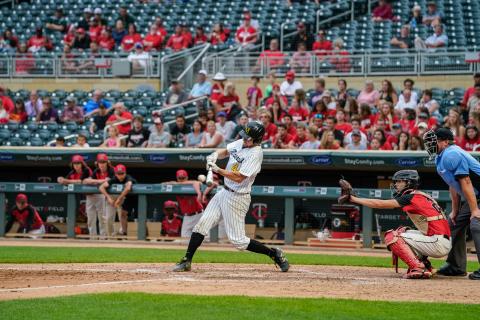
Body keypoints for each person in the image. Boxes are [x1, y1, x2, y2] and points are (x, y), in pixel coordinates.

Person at [172, 122, 290, 272]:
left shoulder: (255, 154)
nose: (244, 140)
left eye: (248, 138)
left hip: (237, 197)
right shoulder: (243, 142)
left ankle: (274, 254)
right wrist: (214, 155)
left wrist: (218, 170)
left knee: (238, 242)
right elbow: (226, 151)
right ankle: (186, 260)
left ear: (257, 139)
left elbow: (239, 177)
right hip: (223, 192)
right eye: (244, 137)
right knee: (201, 225)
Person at [340, 170, 451, 279]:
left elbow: (380, 204)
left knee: (392, 236)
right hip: (439, 240)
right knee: (402, 231)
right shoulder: (419, 195)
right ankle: (426, 266)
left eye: (399, 181)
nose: (396, 184)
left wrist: (352, 198)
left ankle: (418, 267)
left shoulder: (410, 197)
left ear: (408, 183)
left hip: (437, 242)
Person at [423, 128, 480, 279]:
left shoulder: (452, 154)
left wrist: (474, 210)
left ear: (445, 142)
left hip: (476, 196)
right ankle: (456, 266)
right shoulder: (440, 157)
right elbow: (453, 185)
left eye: (434, 140)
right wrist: (455, 211)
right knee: (452, 225)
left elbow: (466, 181)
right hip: (474, 197)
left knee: (476, 225)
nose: (430, 144)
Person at [162, 169, 204, 238]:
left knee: (203, 239)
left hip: (198, 215)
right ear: (177, 178)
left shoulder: (191, 184)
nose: (181, 180)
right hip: (187, 217)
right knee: (185, 238)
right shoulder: (176, 185)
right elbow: (164, 184)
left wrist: (199, 193)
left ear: (187, 178)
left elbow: (198, 183)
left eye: (183, 178)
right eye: (180, 178)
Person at [99, 164, 136, 237]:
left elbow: (128, 188)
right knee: (122, 214)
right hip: (126, 198)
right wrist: (108, 197)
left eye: (122, 173)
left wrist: (119, 198)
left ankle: (144, 234)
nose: (120, 176)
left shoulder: (128, 177)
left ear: (125, 173)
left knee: (139, 217)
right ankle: (124, 234)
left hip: (136, 198)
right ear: (115, 174)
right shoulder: (114, 179)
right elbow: (101, 187)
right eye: (118, 174)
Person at [82, 153, 114, 237]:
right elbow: (85, 181)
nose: (102, 164)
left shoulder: (112, 170)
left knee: (102, 218)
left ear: (107, 162)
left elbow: (109, 181)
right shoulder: (96, 171)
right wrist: (101, 180)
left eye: (103, 162)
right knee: (90, 219)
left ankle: (103, 237)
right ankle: (93, 237)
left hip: (105, 196)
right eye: (100, 162)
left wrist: (95, 181)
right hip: (93, 195)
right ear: (97, 163)